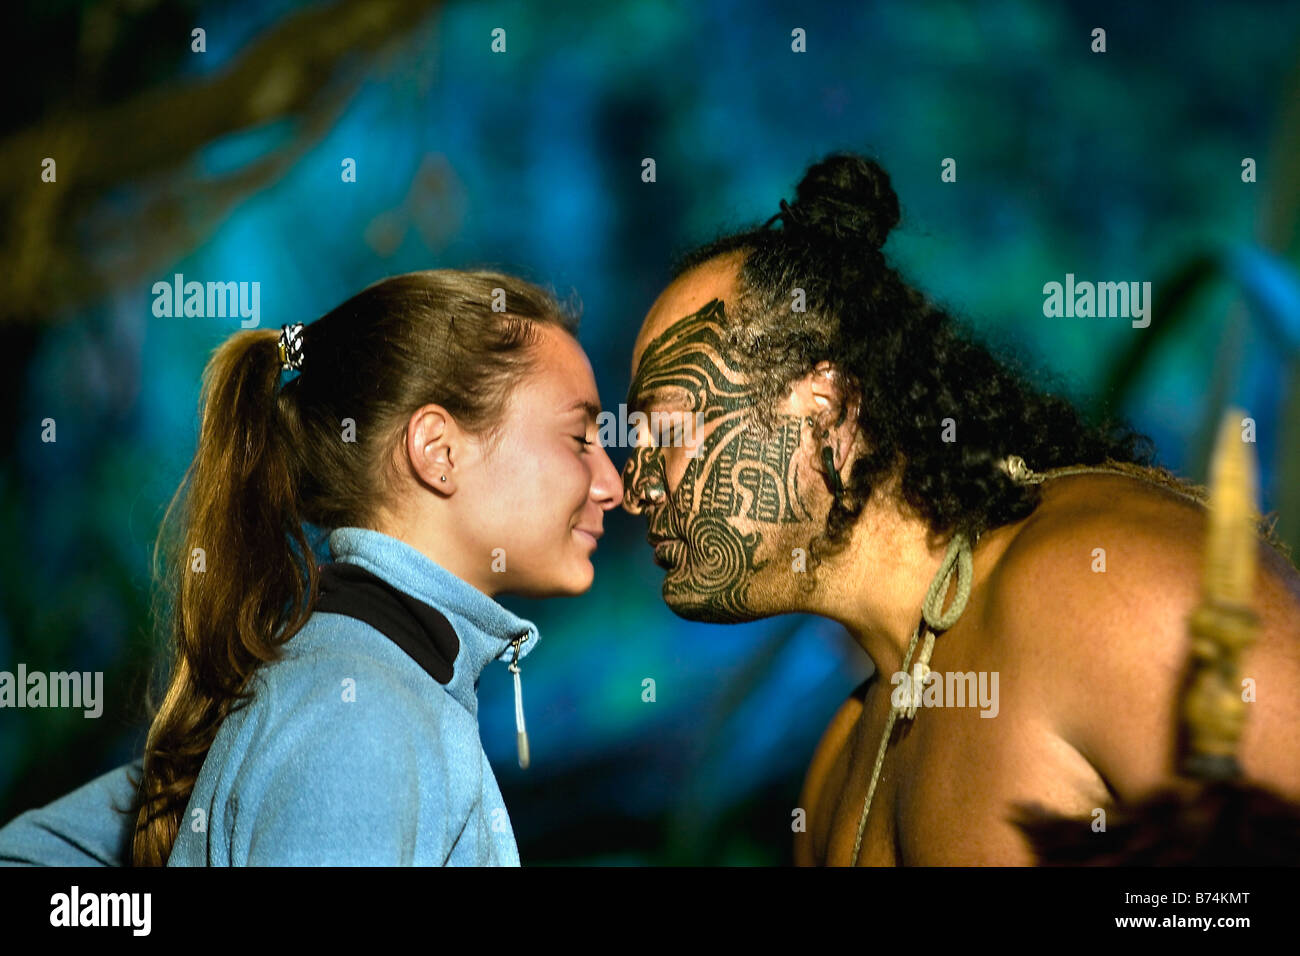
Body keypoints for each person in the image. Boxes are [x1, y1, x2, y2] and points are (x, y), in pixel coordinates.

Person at [620, 152, 1300, 865]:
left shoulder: (1101, 587)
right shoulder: (835, 770)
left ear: (822, 406)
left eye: (664, 431)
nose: (634, 485)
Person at [0, 269, 622, 866]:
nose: (611, 484)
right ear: (438, 451)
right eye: (578, 438)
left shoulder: (351, 682)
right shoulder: (362, 716)